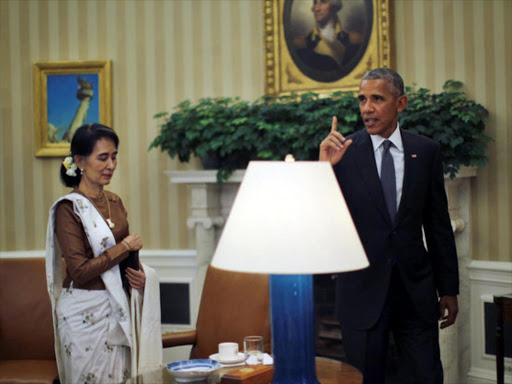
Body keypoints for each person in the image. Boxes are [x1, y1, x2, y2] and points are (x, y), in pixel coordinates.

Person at [319, 68, 459, 383]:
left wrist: (448, 289)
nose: (367, 108)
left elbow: (437, 225)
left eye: (377, 99)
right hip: (362, 293)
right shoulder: (343, 153)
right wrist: (323, 170)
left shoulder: (425, 151)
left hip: (416, 293)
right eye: (362, 99)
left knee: (426, 376)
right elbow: (322, 224)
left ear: (401, 103)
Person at [45, 123, 162, 383]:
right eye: (103, 157)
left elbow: (126, 261)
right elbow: (80, 271)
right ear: (80, 161)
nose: (111, 164)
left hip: (117, 309)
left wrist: (142, 279)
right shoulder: (69, 209)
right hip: (83, 315)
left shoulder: (116, 202)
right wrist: (125, 247)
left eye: (114, 156)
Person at [294, 0, 364, 73]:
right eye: (315, 3)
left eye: (323, 2)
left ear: (334, 6)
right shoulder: (301, 44)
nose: (316, 9)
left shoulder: (354, 40)